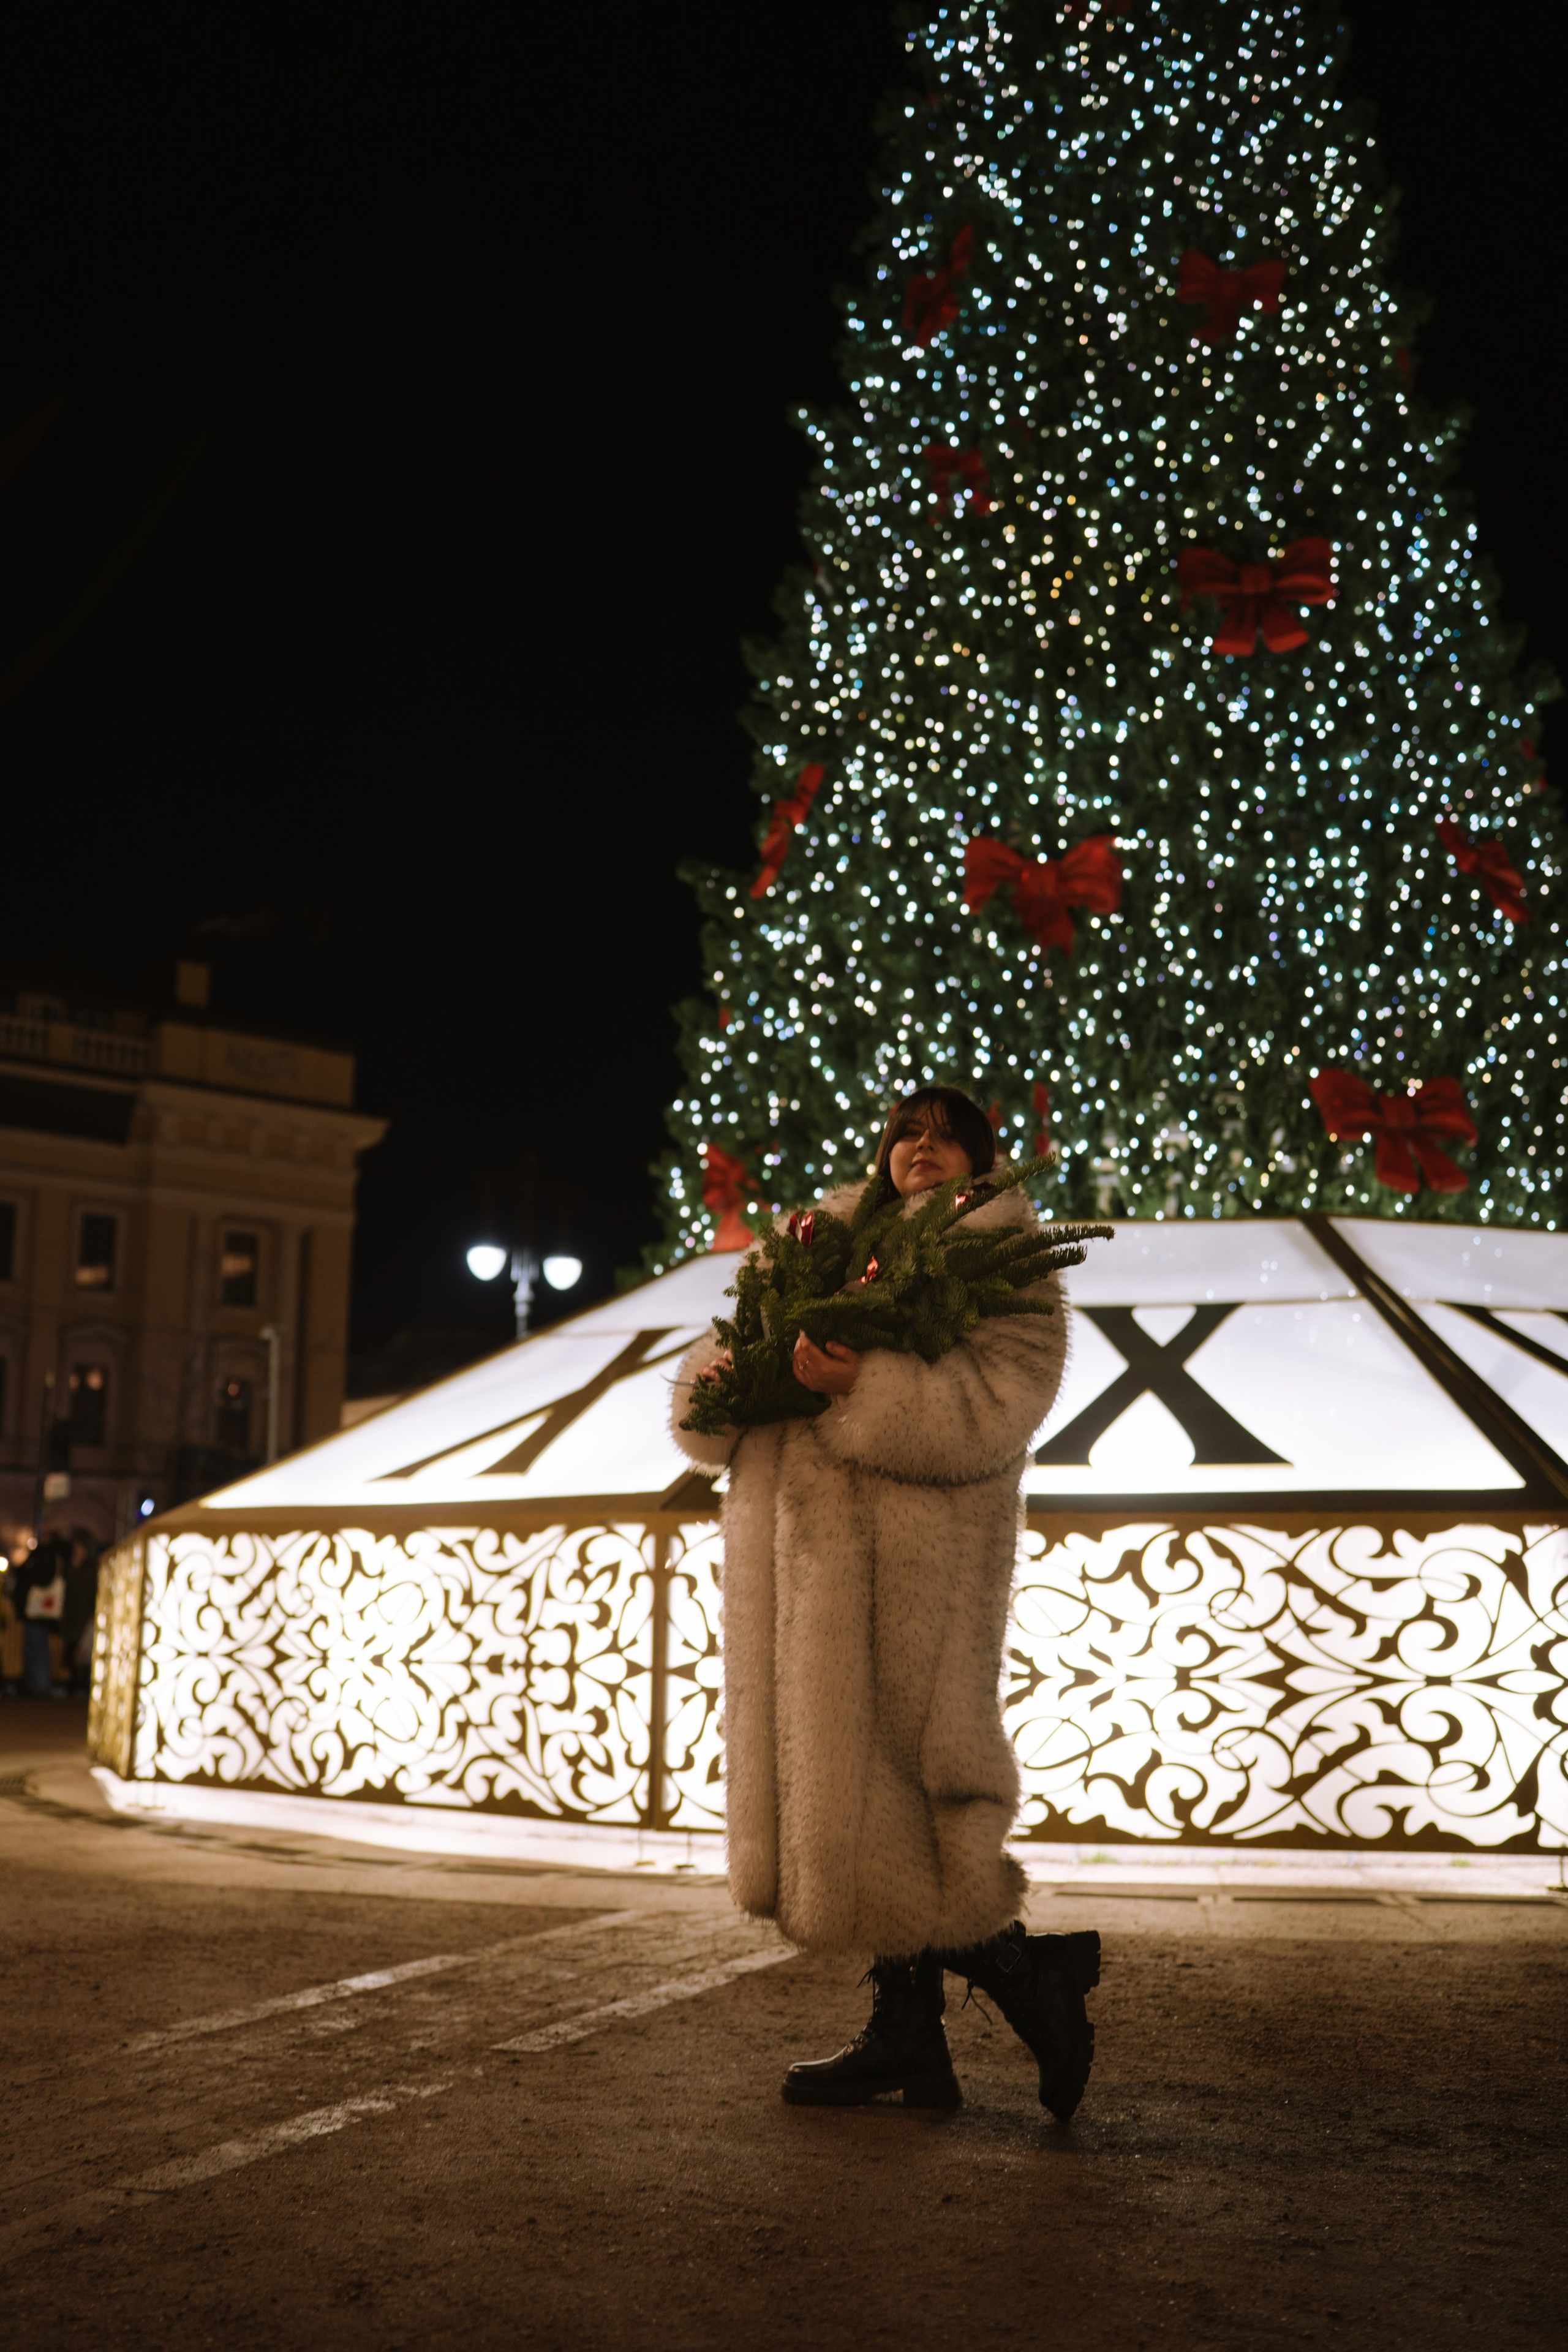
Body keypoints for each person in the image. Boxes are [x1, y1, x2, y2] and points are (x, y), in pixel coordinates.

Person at [670, 1084, 1101, 2118]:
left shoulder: (1007, 1261)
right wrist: (742, 1376)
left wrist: (867, 1384)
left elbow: (1001, 1406)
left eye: (947, 1138)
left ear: (981, 1160)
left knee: (913, 1790)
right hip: (809, 1567)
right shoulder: (812, 1245)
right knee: (853, 1798)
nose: (922, 1149)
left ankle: (1034, 1984)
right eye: (908, 1134)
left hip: (922, 1572)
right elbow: (708, 1384)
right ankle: (909, 2033)